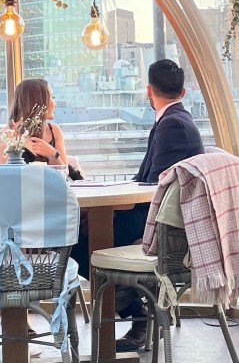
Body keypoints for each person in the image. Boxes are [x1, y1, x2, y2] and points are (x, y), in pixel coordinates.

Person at [70, 59, 204, 352]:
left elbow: (156, 188)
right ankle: (137, 309)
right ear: (182, 91)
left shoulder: (172, 125)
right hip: (158, 218)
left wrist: (115, 209)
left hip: (163, 229)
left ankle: (139, 315)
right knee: (82, 232)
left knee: (77, 243)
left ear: (147, 91)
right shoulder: (174, 121)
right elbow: (150, 180)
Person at [0, 78, 71, 167]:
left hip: (51, 181)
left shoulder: (54, 130)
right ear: (39, 101)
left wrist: (52, 154)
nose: (55, 103)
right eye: (52, 97)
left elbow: (64, 174)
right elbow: (7, 175)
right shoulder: (7, 135)